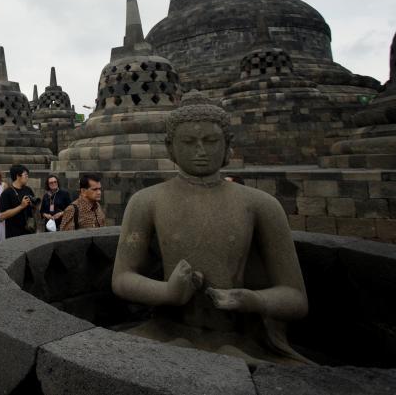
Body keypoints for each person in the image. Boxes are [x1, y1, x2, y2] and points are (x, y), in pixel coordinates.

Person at [111, 94, 309, 365]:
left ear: (228, 145)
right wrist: (167, 293)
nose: (201, 151)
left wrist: (253, 300)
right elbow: (122, 278)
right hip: (166, 330)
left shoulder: (261, 205)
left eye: (211, 141)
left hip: (241, 337)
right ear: (170, 148)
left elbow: (296, 298)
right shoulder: (146, 201)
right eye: (189, 142)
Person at [0, 165, 39, 238]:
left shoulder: (28, 189)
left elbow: (34, 208)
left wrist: (33, 205)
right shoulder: (7, 193)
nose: (27, 177)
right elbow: (2, 216)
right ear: (18, 176)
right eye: (25, 175)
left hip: (29, 231)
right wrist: (21, 206)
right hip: (14, 234)